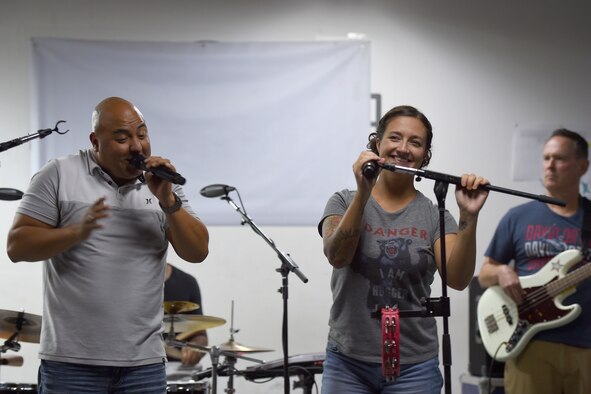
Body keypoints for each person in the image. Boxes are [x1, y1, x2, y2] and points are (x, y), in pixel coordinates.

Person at [6, 97, 209, 393]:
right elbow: (17, 246)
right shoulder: (59, 174)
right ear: (95, 141)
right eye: (123, 138)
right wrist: (76, 232)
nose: (137, 147)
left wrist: (168, 200)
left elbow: (197, 252)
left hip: (145, 365)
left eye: (142, 134)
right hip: (71, 364)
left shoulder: (163, 185)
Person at [318, 104, 490, 393]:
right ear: (377, 144)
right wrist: (364, 191)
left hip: (415, 367)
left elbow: (458, 280)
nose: (403, 148)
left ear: (425, 156)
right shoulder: (343, 202)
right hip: (348, 363)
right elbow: (337, 257)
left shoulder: (434, 215)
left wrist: (468, 217)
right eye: (395, 138)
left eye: (415, 142)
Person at [478, 128, 591, 394]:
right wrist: (502, 272)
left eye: (559, 158)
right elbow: (484, 274)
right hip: (529, 344)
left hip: (586, 346)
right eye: (546, 158)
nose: (550, 165)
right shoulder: (517, 216)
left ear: (582, 166)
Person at [163, 262, 208, 380]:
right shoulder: (129, 282)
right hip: (137, 368)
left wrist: (195, 346)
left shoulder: (187, 282)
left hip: (179, 370)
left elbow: (201, 334)